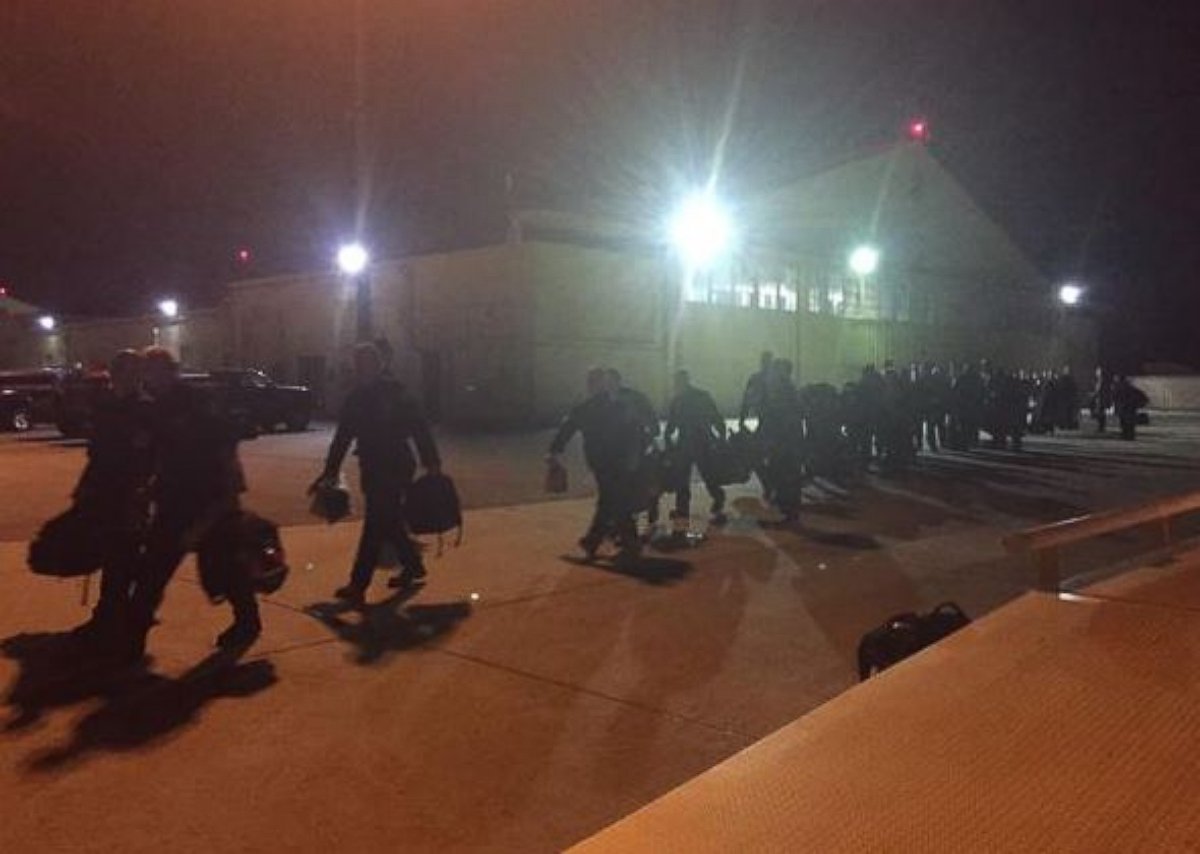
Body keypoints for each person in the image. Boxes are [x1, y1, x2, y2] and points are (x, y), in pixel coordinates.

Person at [125, 347, 254, 658]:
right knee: (152, 573)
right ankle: (131, 641)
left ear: (172, 370)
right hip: (174, 501)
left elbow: (225, 445)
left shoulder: (198, 402)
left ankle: (248, 623)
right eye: (148, 373)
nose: (151, 378)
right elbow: (157, 453)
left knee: (226, 569)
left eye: (157, 371)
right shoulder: (156, 409)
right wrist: (149, 486)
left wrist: (229, 496)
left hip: (209, 499)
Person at [313, 342, 441, 605]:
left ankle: (358, 584)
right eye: (360, 363)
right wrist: (331, 470)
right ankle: (413, 565)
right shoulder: (358, 396)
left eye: (367, 362)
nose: (363, 368)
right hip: (374, 465)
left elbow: (419, 427)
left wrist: (431, 461)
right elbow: (343, 436)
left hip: (395, 465)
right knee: (389, 519)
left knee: (375, 523)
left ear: (379, 364)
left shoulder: (394, 392)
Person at [68, 350, 154, 643]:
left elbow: (148, 455)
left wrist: (142, 492)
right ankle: (111, 616)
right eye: (120, 371)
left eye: (130, 371)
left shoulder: (144, 409)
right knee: (113, 555)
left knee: (124, 557)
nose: (124, 377)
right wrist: (85, 486)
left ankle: (114, 619)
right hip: (106, 490)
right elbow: (98, 453)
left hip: (131, 494)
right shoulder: (108, 406)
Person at [548, 367, 642, 563]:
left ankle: (597, 543)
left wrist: (554, 451)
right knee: (613, 501)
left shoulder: (586, 408)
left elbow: (567, 429)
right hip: (619, 461)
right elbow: (634, 431)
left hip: (603, 463)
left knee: (611, 502)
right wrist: (634, 457)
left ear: (591, 385)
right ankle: (617, 543)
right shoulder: (619, 406)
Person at [663, 369, 727, 526]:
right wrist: (721, 437)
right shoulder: (697, 397)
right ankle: (686, 508)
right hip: (694, 442)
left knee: (700, 475)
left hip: (697, 442)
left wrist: (668, 441)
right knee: (688, 478)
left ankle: (714, 498)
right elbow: (716, 418)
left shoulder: (685, 399)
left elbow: (715, 417)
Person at [738, 350, 774, 431]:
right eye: (765, 362)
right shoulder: (756, 380)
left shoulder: (756, 379)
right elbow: (746, 401)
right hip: (767, 422)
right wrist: (742, 420)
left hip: (770, 423)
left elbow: (746, 402)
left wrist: (742, 421)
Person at [1112, 375, 1149, 441]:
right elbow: (1144, 398)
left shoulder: (1120, 389)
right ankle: (1129, 435)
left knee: (1126, 422)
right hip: (1129, 408)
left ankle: (1127, 435)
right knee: (1128, 423)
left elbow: (1116, 399)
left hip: (1126, 408)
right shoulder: (1130, 389)